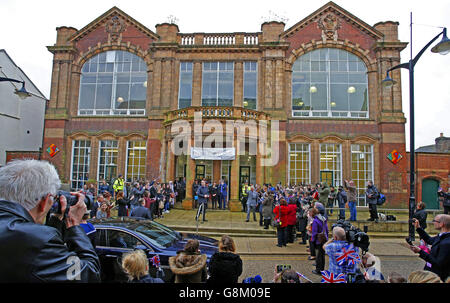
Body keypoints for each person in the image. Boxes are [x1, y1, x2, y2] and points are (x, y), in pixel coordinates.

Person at [0, 159, 100, 282]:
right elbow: (89, 274)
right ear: (44, 201)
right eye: (53, 198)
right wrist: (74, 224)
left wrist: (57, 219)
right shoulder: (37, 240)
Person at [409, 214, 450, 281]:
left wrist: (420, 251)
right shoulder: (443, 236)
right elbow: (430, 240)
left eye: (434, 221)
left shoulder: (447, 243)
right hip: (431, 273)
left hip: (436, 277)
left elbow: (438, 264)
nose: (433, 222)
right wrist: (418, 228)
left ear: (441, 224)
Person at [311, 206, 328, 275]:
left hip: (318, 239)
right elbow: (326, 229)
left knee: (318, 256)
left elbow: (314, 232)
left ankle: (318, 270)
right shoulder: (324, 219)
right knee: (322, 255)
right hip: (324, 238)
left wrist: (312, 240)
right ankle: (322, 269)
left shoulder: (315, 220)